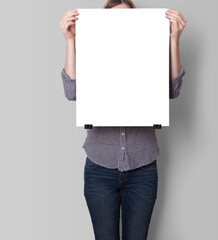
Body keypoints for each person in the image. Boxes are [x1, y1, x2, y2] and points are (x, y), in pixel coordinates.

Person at [58, 0, 186, 239]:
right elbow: (72, 92)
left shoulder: (149, 52)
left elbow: (173, 89)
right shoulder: (93, 52)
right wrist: (70, 41)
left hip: (143, 168)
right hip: (99, 168)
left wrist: (173, 39)